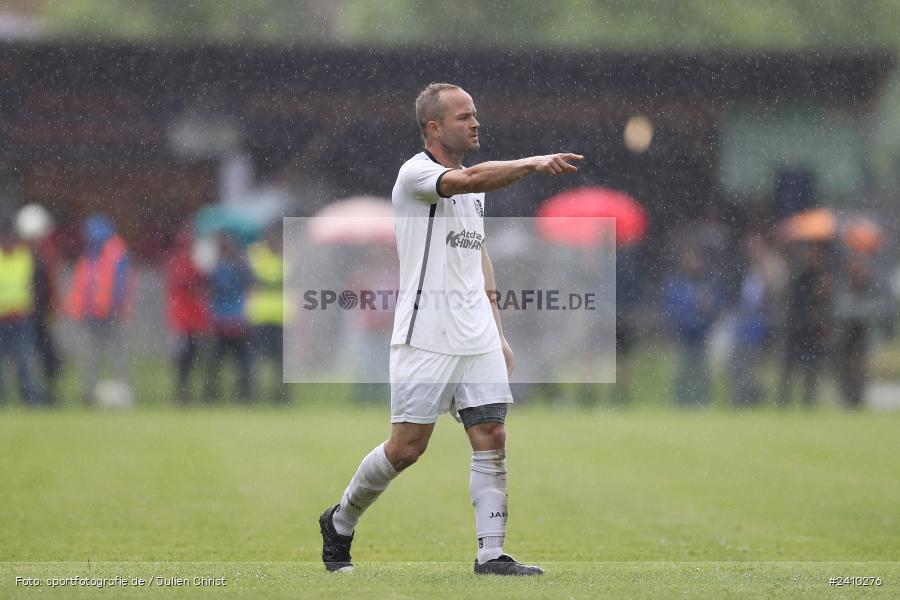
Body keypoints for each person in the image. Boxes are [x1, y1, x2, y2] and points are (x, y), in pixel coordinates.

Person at [319, 82, 582, 576]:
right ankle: (341, 519)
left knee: (491, 433)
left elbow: (478, 260)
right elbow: (468, 181)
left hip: (476, 334)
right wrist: (531, 163)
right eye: (464, 117)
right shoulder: (416, 175)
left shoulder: (474, 188)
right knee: (407, 448)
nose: (475, 123)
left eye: (475, 114)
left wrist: (498, 332)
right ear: (434, 128)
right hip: (426, 334)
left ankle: (491, 554)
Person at [64, 214, 135, 406]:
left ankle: (123, 392)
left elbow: (122, 283)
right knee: (93, 354)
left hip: (110, 313)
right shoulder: (89, 255)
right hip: (92, 314)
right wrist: (78, 308)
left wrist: (119, 306)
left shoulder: (116, 251)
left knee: (115, 354)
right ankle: (89, 393)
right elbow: (82, 285)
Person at [663, 245, 723, 407]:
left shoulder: (707, 283)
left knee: (702, 371)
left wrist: (705, 314)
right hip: (683, 335)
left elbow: (715, 307)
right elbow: (671, 308)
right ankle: (682, 402)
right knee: (682, 371)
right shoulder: (677, 283)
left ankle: (702, 402)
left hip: (701, 334)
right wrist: (680, 322)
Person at [15, 203, 63, 405]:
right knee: (26, 357)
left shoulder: (45, 254)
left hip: (38, 314)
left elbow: (50, 284)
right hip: (24, 315)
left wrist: (53, 306)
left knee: (48, 358)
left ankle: (46, 394)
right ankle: (32, 396)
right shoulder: (24, 255)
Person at [164, 226, 211, 405]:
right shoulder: (181, 262)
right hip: (182, 320)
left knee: (190, 358)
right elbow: (188, 281)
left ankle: (183, 392)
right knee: (183, 358)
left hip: (190, 319)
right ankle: (180, 392)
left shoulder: (187, 261)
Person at [205, 233, 253, 404]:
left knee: (226, 362)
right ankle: (242, 394)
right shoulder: (236, 267)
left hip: (228, 319)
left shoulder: (222, 268)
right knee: (237, 362)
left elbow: (211, 291)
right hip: (231, 319)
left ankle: (220, 394)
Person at [0, 220, 44, 407]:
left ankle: (30, 399)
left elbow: (36, 285)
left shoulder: (26, 257)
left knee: (25, 360)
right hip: (2, 319)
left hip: (21, 318)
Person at [246, 223, 290, 404]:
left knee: (280, 362)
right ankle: (251, 394)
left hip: (281, 317)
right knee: (256, 359)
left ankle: (280, 395)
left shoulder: (287, 255)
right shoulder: (257, 255)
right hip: (260, 316)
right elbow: (261, 277)